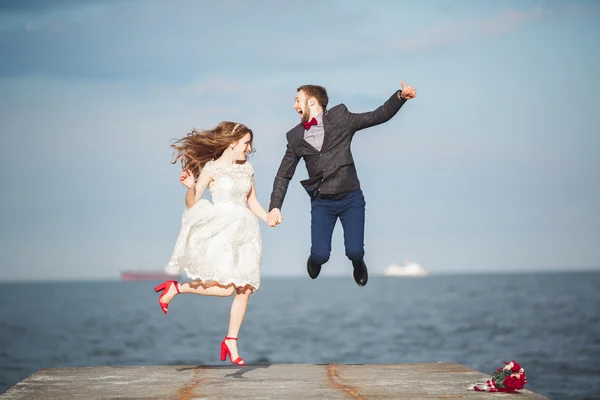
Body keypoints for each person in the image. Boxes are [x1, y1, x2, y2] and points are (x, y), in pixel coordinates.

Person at [267, 81, 417, 287]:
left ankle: (358, 262)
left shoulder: (340, 118)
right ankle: (315, 259)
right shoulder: (295, 137)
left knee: (354, 250)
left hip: (350, 198)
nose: (294, 106)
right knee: (321, 255)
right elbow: (283, 175)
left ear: (311, 101)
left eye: (297, 100)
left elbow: (377, 115)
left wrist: (400, 97)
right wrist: (275, 206)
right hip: (322, 202)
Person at [154, 121, 273, 366]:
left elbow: (252, 201)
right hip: (223, 230)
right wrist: (189, 188)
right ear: (232, 142)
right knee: (228, 288)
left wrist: (268, 216)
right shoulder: (211, 169)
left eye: (250, 143)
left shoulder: (247, 169)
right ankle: (177, 288)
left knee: (245, 288)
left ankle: (231, 339)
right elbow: (192, 202)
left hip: (247, 231)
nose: (249, 148)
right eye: (246, 143)